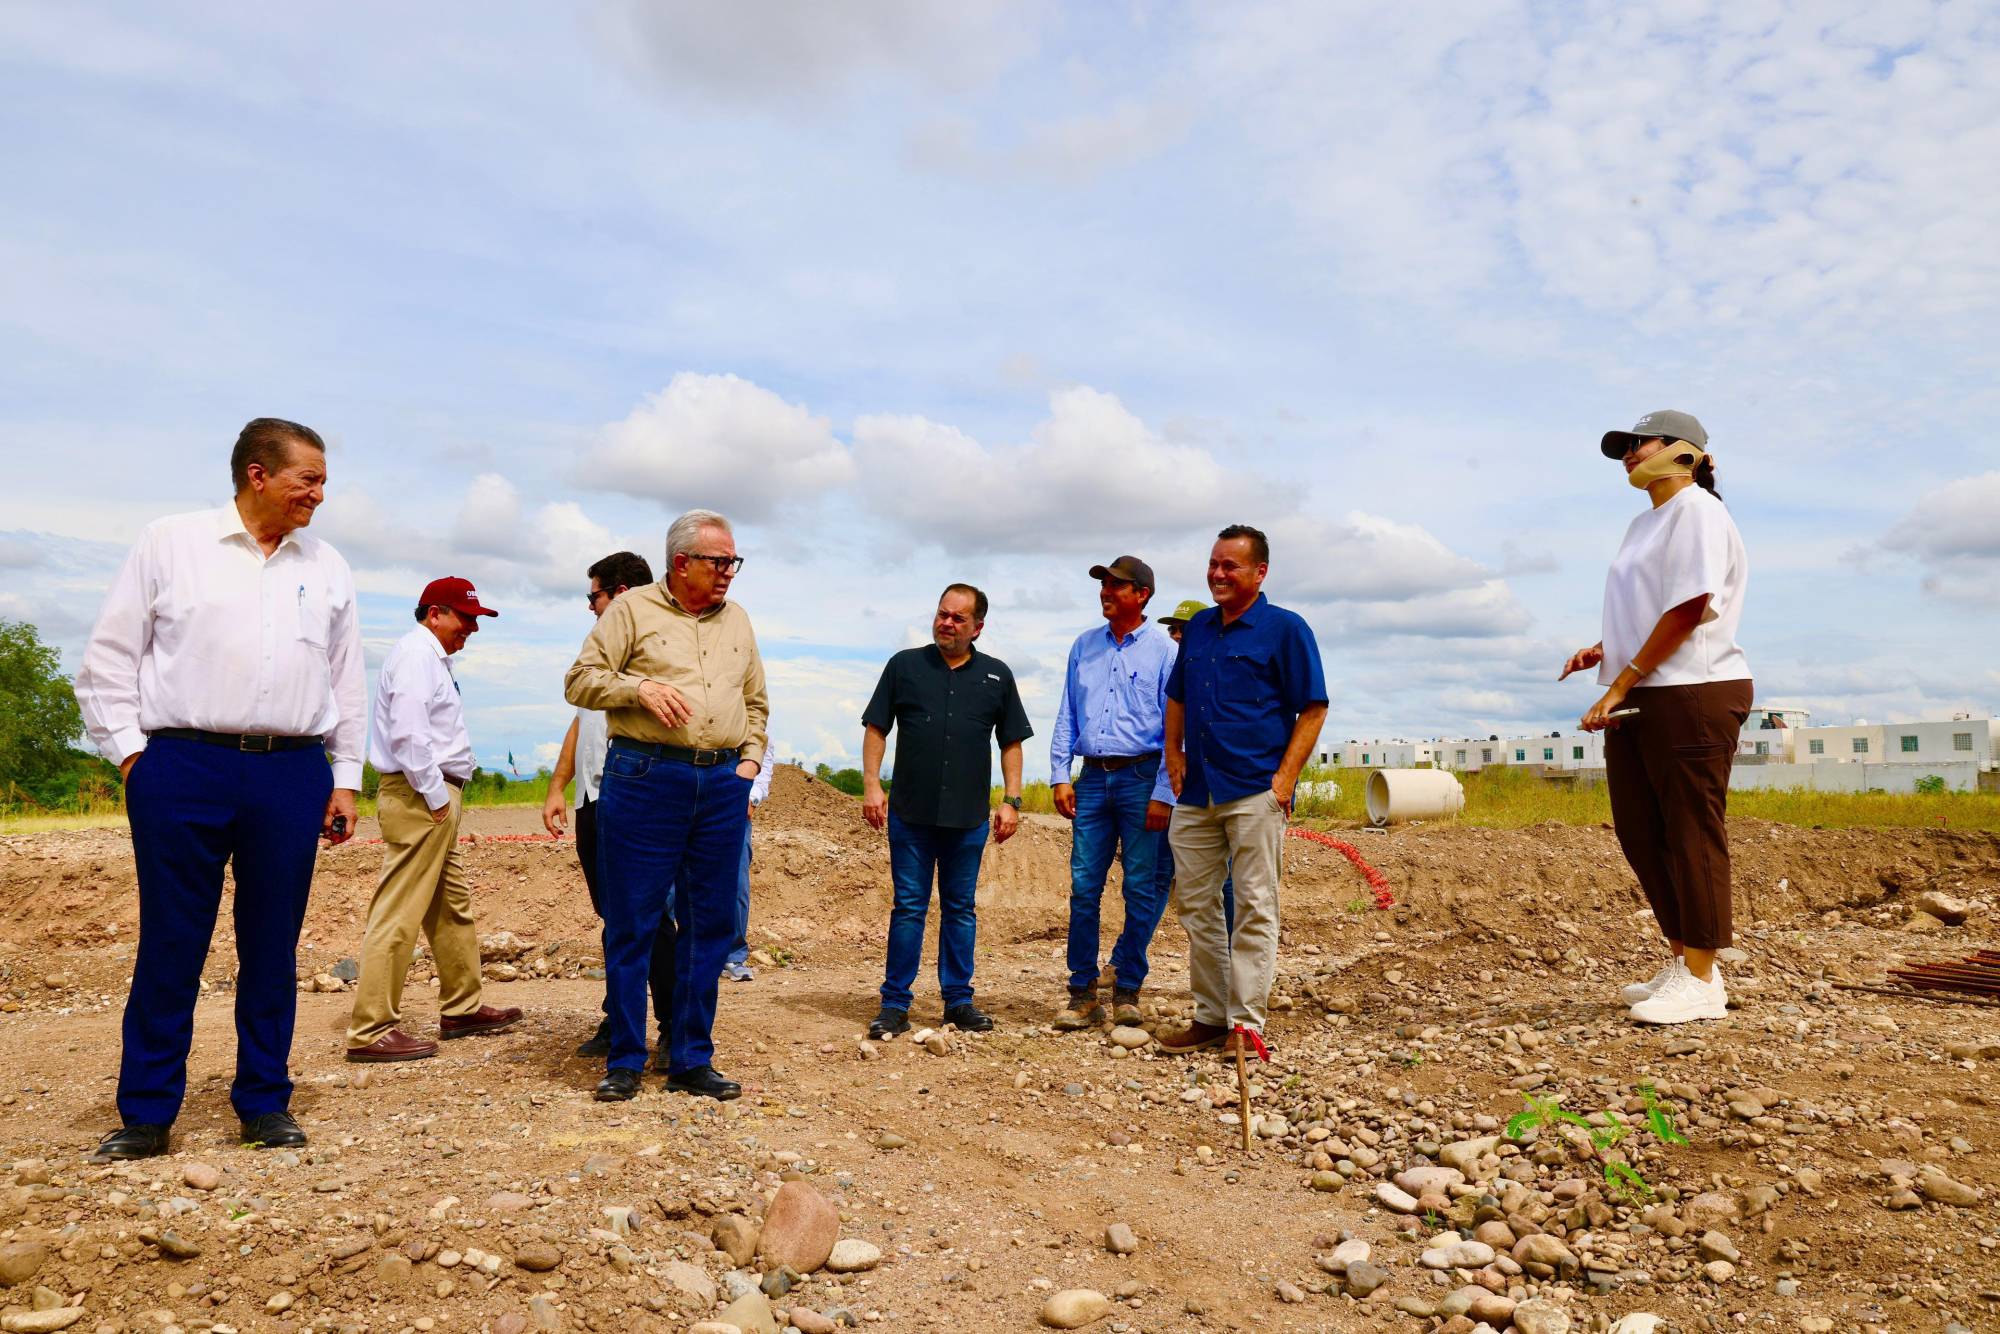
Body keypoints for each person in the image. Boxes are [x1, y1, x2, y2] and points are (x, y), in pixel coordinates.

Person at [74, 418, 363, 1160]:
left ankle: (264, 1103)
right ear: (257, 475)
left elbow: (347, 679)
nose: (319, 495)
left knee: (272, 944)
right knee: (172, 942)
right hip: (183, 766)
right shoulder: (170, 543)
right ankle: (146, 1114)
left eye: (323, 480)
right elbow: (108, 658)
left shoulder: (327, 565)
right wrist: (135, 758)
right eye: (309, 479)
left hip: (292, 769)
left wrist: (347, 777)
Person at [564, 509, 768, 1102]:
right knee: (633, 921)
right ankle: (625, 1059)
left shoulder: (739, 621)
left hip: (721, 784)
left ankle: (689, 1057)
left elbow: (756, 700)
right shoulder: (631, 611)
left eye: (734, 561)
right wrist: (638, 688)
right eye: (719, 561)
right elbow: (580, 680)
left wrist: (748, 761)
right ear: (682, 564)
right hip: (646, 777)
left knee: (712, 924)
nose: (730, 571)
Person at [1565, 411, 1752, 1025]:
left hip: (1694, 690)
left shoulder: (1698, 509)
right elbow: (1653, 605)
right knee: (1642, 832)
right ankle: (1684, 963)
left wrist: (1619, 681)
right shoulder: (1644, 523)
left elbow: (1693, 605)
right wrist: (1606, 647)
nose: (1628, 453)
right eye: (1623, 447)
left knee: (1691, 832)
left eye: (1640, 443)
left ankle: (1702, 980)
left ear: (1685, 453)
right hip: (1651, 687)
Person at [1158, 525, 1327, 1056]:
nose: (1217, 574)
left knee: (1255, 904)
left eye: (1230, 566)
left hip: (1256, 790)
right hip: (1198, 793)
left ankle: (1246, 1024)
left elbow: (1314, 707)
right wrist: (1174, 754)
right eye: (1213, 563)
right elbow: (1177, 697)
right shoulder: (1201, 628)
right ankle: (1210, 1015)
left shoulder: (1285, 629)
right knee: (1196, 906)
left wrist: (1285, 781)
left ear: (1260, 572)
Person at [346, 578, 520, 1061]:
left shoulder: (431, 659)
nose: (471, 629)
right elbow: (407, 731)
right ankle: (371, 1029)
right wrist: (433, 794)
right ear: (435, 613)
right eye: (466, 618)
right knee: (399, 911)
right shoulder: (416, 656)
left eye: (475, 620)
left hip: (434, 793)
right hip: (422, 793)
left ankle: (461, 1007)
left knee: (450, 905)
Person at [860, 585, 1032, 1039]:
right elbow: (877, 727)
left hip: (968, 818)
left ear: (977, 627)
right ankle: (895, 1004)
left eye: (958, 618)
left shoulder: (997, 676)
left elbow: (1010, 743)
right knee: (909, 907)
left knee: (960, 909)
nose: (946, 623)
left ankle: (958, 1001)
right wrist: (872, 785)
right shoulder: (904, 666)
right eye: (942, 614)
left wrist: (1011, 800)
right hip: (910, 814)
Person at [542, 551, 671, 1059]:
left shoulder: (658, 641)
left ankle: (669, 1027)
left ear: (618, 593)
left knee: (652, 919)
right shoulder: (600, 644)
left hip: (638, 797)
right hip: (594, 800)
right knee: (616, 918)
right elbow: (583, 718)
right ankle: (619, 1019)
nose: (589, 607)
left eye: (592, 595)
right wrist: (558, 784)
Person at [1049, 556, 1175, 1031]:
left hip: (1142, 778)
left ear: (1142, 594)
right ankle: (1082, 991)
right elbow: (1068, 712)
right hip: (1093, 778)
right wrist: (1061, 774)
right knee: (1084, 886)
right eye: (1103, 584)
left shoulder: (1164, 652)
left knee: (1140, 886)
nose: (1106, 591)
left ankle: (1128, 990)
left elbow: (1173, 729)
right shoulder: (1084, 647)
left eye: (1116, 586)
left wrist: (1165, 789)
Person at [1152, 598, 1234, 934]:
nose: (1174, 636)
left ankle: (1232, 961)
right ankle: (1128, 962)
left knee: (1224, 879)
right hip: (1170, 789)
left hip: (1208, 791)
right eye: (1171, 629)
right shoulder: (1169, 674)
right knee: (1158, 876)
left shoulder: (1216, 672)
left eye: (1182, 630)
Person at [723, 747, 776, 982]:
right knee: (669, 883)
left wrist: (752, 796)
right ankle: (661, 956)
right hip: (681, 791)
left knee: (735, 881)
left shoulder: (751, 709)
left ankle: (733, 956)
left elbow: (764, 745)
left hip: (733, 799)